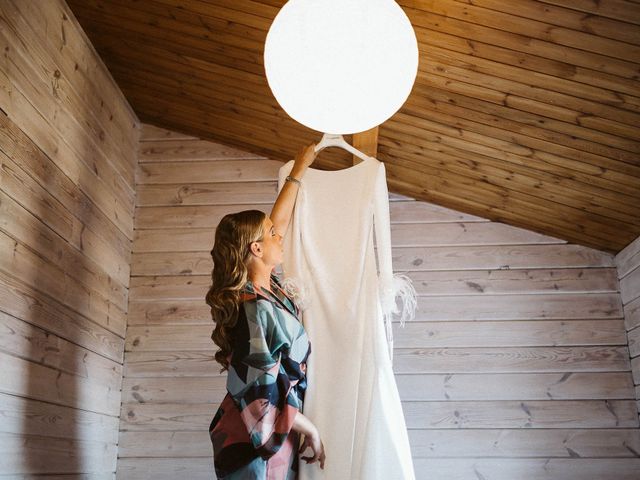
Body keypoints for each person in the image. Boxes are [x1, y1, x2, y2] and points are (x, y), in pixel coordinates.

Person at [207, 143, 326, 479]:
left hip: (275, 432)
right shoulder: (254, 307)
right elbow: (259, 397)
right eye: (273, 236)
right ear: (256, 248)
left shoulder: (269, 290)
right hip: (251, 442)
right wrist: (310, 428)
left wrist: (299, 170)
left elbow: (280, 220)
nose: (281, 237)